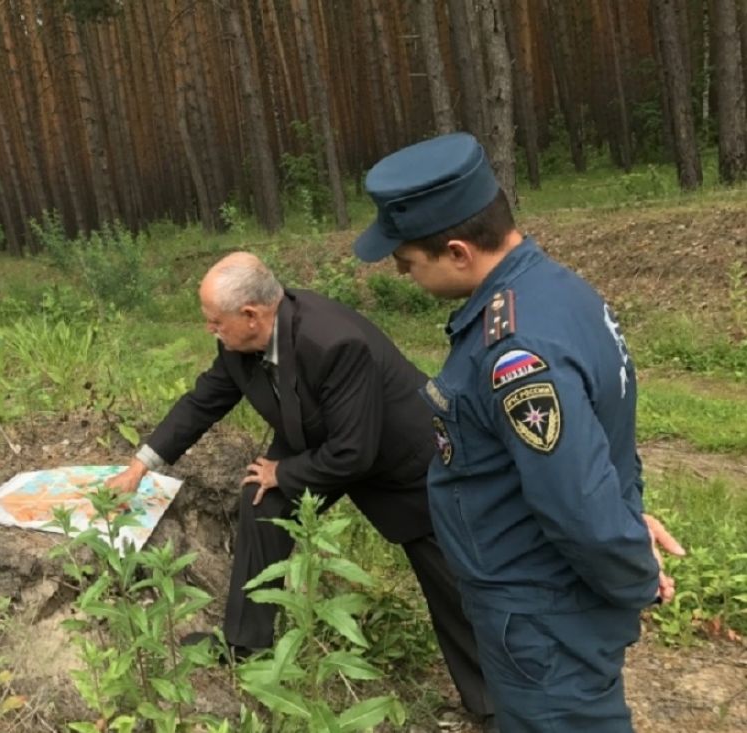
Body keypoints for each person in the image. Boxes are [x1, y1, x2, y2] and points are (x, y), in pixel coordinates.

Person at [352, 132, 685, 732]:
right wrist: (627, 529)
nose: (405, 276)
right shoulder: (555, 290)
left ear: (458, 251)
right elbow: (593, 450)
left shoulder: (516, 351)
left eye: (408, 264)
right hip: (544, 601)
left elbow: (576, 503)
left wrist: (633, 571)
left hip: (541, 615)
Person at [106, 252, 495, 723]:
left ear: (250, 315)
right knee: (263, 500)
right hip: (319, 438)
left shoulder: (333, 342)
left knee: (452, 586)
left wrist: (283, 472)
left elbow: (355, 452)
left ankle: (495, 707)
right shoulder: (240, 345)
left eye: (214, 321)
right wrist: (139, 465)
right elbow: (202, 402)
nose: (209, 329)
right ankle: (244, 642)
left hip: (405, 466)